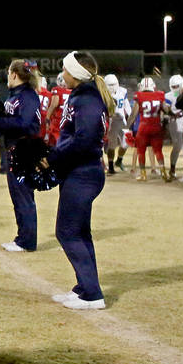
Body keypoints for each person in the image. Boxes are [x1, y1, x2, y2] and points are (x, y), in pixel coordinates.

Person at [44, 51, 114, 310]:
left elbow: (84, 140)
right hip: (80, 171)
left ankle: (92, 294)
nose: (62, 75)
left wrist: (53, 157)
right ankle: (85, 287)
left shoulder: (87, 99)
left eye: (65, 70)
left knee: (68, 231)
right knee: (79, 232)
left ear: (74, 73)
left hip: (83, 172)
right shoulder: (84, 95)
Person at [0, 59, 43, 252]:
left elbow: (25, 123)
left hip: (24, 148)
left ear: (14, 74)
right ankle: (22, 237)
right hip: (15, 147)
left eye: (9, 72)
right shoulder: (16, 95)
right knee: (18, 194)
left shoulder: (28, 96)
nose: (8, 76)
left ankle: (27, 241)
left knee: (23, 195)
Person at [129, 76, 168, 181]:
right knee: (158, 151)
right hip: (156, 126)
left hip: (144, 126)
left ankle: (143, 174)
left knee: (141, 151)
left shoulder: (139, 96)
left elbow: (133, 114)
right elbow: (165, 110)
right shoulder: (159, 95)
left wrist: (128, 126)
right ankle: (164, 172)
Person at [103, 73, 132, 174]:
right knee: (112, 145)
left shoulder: (122, 91)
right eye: (110, 84)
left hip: (121, 120)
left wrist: (130, 115)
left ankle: (119, 160)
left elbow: (126, 104)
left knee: (126, 143)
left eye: (114, 84)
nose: (112, 86)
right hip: (110, 121)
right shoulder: (102, 93)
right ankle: (111, 166)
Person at [163, 74, 183, 182]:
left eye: (177, 86)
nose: (175, 89)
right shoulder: (168, 96)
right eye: (174, 86)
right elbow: (166, 108)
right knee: (177, 146)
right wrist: (170, 113)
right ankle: (172, 169)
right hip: (174, 122)